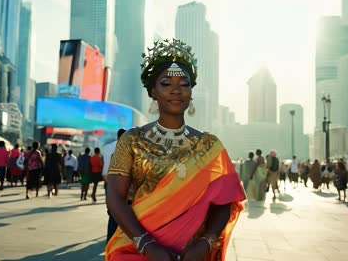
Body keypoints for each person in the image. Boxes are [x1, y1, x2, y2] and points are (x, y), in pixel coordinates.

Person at [105, 39, 245, 261]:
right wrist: (147, 245)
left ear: (191, 91)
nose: (176, 90)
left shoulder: (209, 146)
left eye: (184, 83)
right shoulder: (132, 141)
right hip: (137, 251)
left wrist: (205, 244)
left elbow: (224, 201)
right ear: (153, 91)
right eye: (166, 83)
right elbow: (114, 197)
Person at [103, 128, 127, 243]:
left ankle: (111, 242)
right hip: (123, 191)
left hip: (113, 188)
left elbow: (105, 174)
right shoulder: (128, 152)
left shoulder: (110, 150)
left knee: (113, 217)